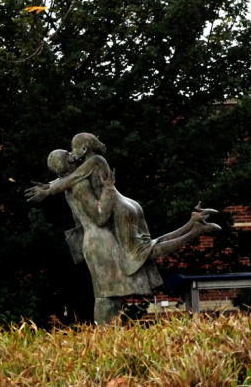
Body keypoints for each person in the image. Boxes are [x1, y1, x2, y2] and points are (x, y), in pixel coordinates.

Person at [27, 134, 221, 323]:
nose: (72, 153)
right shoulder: (78, 186)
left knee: (116, 285)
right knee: (109, 291)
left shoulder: (79, 177)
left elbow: (72, 181)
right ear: (68, 161)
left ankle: (194, 228)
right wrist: (109, 190)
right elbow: (100, 217)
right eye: (68, 154)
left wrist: (50, 188)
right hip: (100, 240)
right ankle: (193, 228)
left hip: (102, 238)